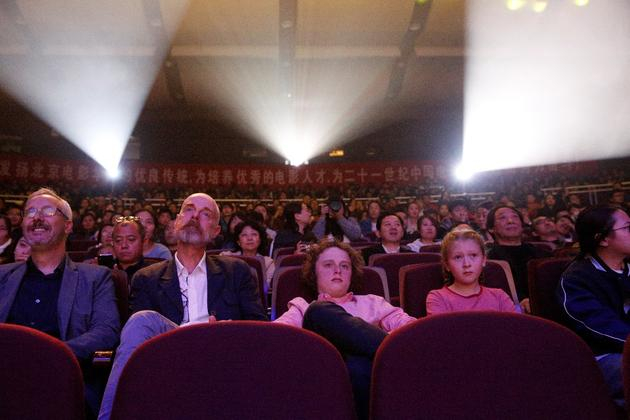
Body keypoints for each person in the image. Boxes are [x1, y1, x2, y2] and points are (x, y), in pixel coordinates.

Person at [98, 193, 267, 420]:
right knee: (141, 321)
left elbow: (260, 329)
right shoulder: (147, 278)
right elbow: (139, 344)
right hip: (170, 358)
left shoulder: (237, 272)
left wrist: (229, 330)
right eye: (188, 210)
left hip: (222, 357)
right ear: (177, 222)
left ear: (215, 231)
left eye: (205, 214)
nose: (194, 217)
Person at [0, 188, 120, 417]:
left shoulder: (95, 278)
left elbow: (107, 330)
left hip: (61, 381)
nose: (37, 217)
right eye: (30, 212)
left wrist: (52, 354)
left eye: (47, 211)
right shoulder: (3, 276)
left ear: (68, 226)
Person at [274, 240, 415, 419]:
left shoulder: (373, 302)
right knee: (319, 311)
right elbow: (273, 337)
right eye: (328, 265)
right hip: (321, 384)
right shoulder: (303, 308)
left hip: (375, 380)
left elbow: (412, 331)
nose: (338, 270)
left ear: (351, 274)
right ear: (314, 273)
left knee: (358, 365)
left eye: (344, 266)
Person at [557, 205, 630, 407]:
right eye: (627, 227)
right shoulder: (576, 279)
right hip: (602, 355)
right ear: (603, 239)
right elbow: (599, 326)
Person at [426, 229, 516, 314]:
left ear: (483, 260)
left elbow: (515, 324)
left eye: (473, 255)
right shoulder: (438, 298)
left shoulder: (499, 297)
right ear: (447, 265)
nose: (467, 264)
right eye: (458, 257)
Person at [486, 205, 551, 313]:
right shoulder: (490, 260)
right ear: (491, 228)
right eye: (502, 218)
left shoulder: (542, 253)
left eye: (515, 217)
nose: (511, 221)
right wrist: (521, 300)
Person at [220, 220, 275, 289]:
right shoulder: (226, 257)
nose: (249, 238)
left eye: (254, 234)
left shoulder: (268, 262)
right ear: (238, 241)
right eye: (244, 235)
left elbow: (266, 287)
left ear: (260, 240)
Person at [111, 216, 151, 280]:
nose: (124, 245)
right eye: (118, 240)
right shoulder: (104, 271)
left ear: (143, 242)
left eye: (131, 239)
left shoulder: (155, 272)